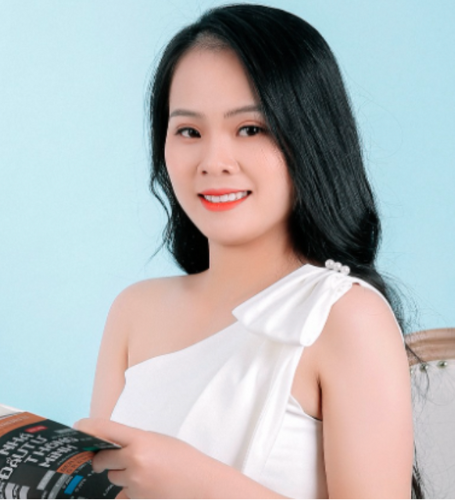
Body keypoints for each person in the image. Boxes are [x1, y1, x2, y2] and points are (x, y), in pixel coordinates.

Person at [75, 4, 425, 498]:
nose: (214, 162)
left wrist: (195, 482)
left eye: (251, 129)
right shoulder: (134, 310)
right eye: (189, 131)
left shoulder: (346, 317)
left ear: (311, 139)